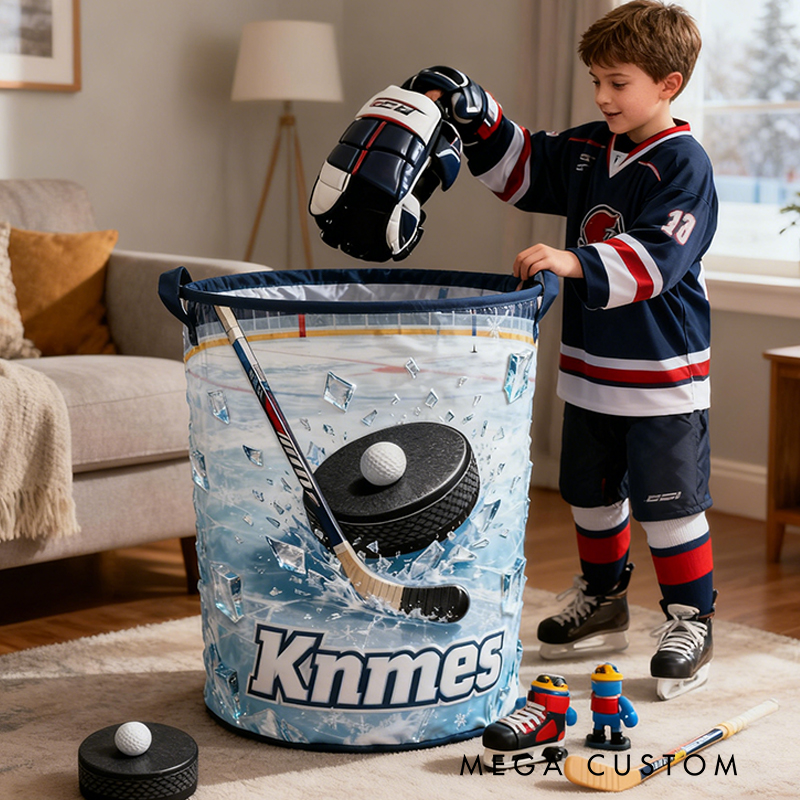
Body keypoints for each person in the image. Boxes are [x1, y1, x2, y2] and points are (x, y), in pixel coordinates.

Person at [404, 0, 717, 701]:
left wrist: (575, 261)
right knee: (591, 496)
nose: (602, 96)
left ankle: (692, 620)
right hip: (589, 371)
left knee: (668, 507)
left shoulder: (683, 165)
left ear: (667, 85)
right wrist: (477, 114)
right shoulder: (588, 147)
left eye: (618, 82)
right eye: (596, 81)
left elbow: (658, 257)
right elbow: (524, 166)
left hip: (662, 376)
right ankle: (604, 600)